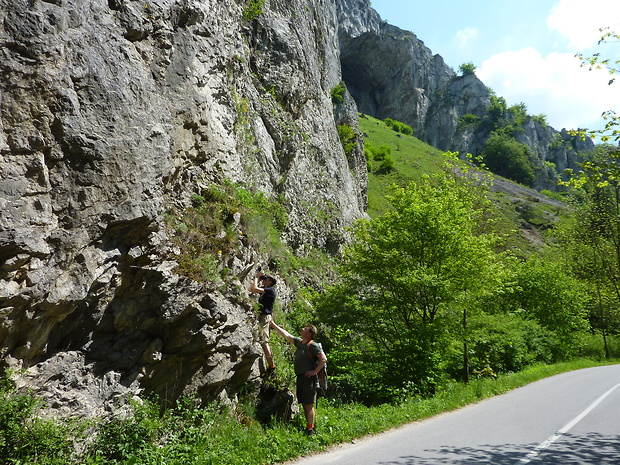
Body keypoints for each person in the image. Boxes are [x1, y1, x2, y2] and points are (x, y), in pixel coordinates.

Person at [269, 320, 327, 436]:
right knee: (305, 404)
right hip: (301, 378)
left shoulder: (312, 345)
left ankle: (310, 429)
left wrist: (314, 371)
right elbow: (287, 335)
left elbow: (323, 359)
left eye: (305, 329)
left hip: (308, 379)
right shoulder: (300, 343)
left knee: (308, 404)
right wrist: (273, 324)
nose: (302, 329)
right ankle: (309, 427)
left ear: (309, 334)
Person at [248, 269, 277, 375]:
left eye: (266, 279)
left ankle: (271, 367)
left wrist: (257, 278)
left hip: (265, 317)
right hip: (262, 317)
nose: (264, 281)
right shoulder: (266, 290)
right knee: (262, 341)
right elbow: (251, 289)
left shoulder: (270, 290)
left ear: (270, 282)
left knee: (264, 342)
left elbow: (254, 288)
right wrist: (258, 279)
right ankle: (270, 365)